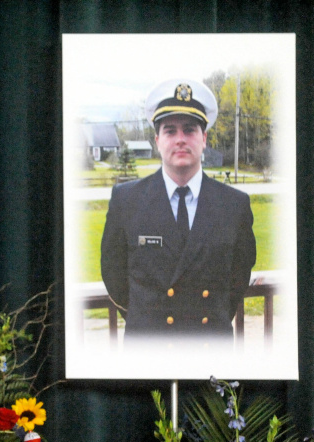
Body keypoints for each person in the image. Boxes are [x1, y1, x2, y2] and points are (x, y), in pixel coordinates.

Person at [100, 78, 256, 340]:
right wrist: (147, 318)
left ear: (204, 138)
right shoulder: (126, 201)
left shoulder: (234, 205)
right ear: (157, 140)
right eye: (170, 131)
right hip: (149, 349)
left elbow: (239, 276)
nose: (180, 139)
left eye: (190, 130)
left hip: (210, 348)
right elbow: (113, 274)